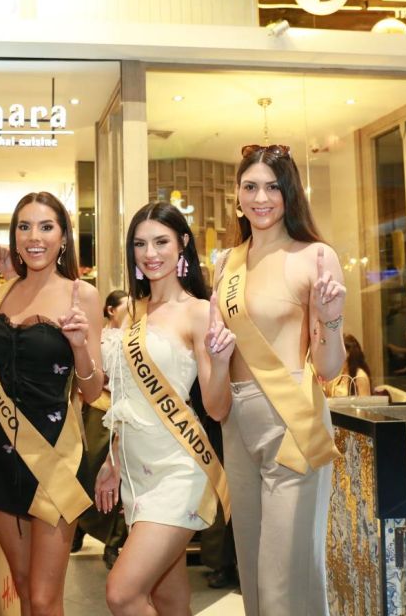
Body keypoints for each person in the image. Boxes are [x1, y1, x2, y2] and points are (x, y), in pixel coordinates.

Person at [215, 143, 346, 616]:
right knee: (253, 577)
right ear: (237, 194)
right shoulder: (225, 263)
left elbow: (329, 368)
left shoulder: (315, 256)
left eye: (273, 187)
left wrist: (331, 318)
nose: (261, 198)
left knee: (281, 581)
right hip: (237, 424)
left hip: (291, 421)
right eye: (250, 186)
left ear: (289, 194)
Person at [95, 202, 235, 616]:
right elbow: (125, 397)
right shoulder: (129, 312)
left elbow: (217, 407)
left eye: (161, 242)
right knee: (169, 600)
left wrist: (221, 363)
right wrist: (112, 458)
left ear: (182, 244)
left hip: (179, 467)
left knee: (122, 594)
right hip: (135, 472)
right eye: (140, 244)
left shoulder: (198, 311)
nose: (150, 253)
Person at [0, 191, 104, 616]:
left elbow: (94, 391)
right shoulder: (3, 292)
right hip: (2, 459)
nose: (34, 236)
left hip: (56, 456)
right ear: (15, 237)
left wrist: (80, 346)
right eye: (25, 226)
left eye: (46, 226)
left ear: (63, 237)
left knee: (43, 597)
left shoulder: (81, 295)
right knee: (20, 586)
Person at [73, 289, 130, 569]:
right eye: (125, 306)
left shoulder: (135, 336)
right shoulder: (101, 335)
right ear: (110, 310)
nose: (130, 310)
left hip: (127, 415)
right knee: (90, 472)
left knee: (121, 478)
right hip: (98, 410)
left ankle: (113, 542)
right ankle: (80, 527)